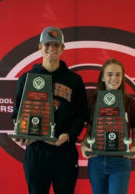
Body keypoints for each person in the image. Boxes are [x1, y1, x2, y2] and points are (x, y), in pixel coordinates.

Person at [12, 26, 88, 194]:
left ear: (62, 49)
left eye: (56, 45)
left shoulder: (74, 80)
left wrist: (68, 135)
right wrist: (23, 134)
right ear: (40, 47)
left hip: (64, 151)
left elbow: (82, 114)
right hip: (36, 151)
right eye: (47, 44)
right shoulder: (26, 78)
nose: (51, 48)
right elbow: (17, 113)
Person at [80, 59, 135, 194]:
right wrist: (83, 146)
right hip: (96, 160)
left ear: (123, 77)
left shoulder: (130, 103)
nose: (114, 78)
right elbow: (89, 132)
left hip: (120, 161)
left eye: (118, 74)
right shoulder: (93, 101)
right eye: (109, 74)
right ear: (102, 77)